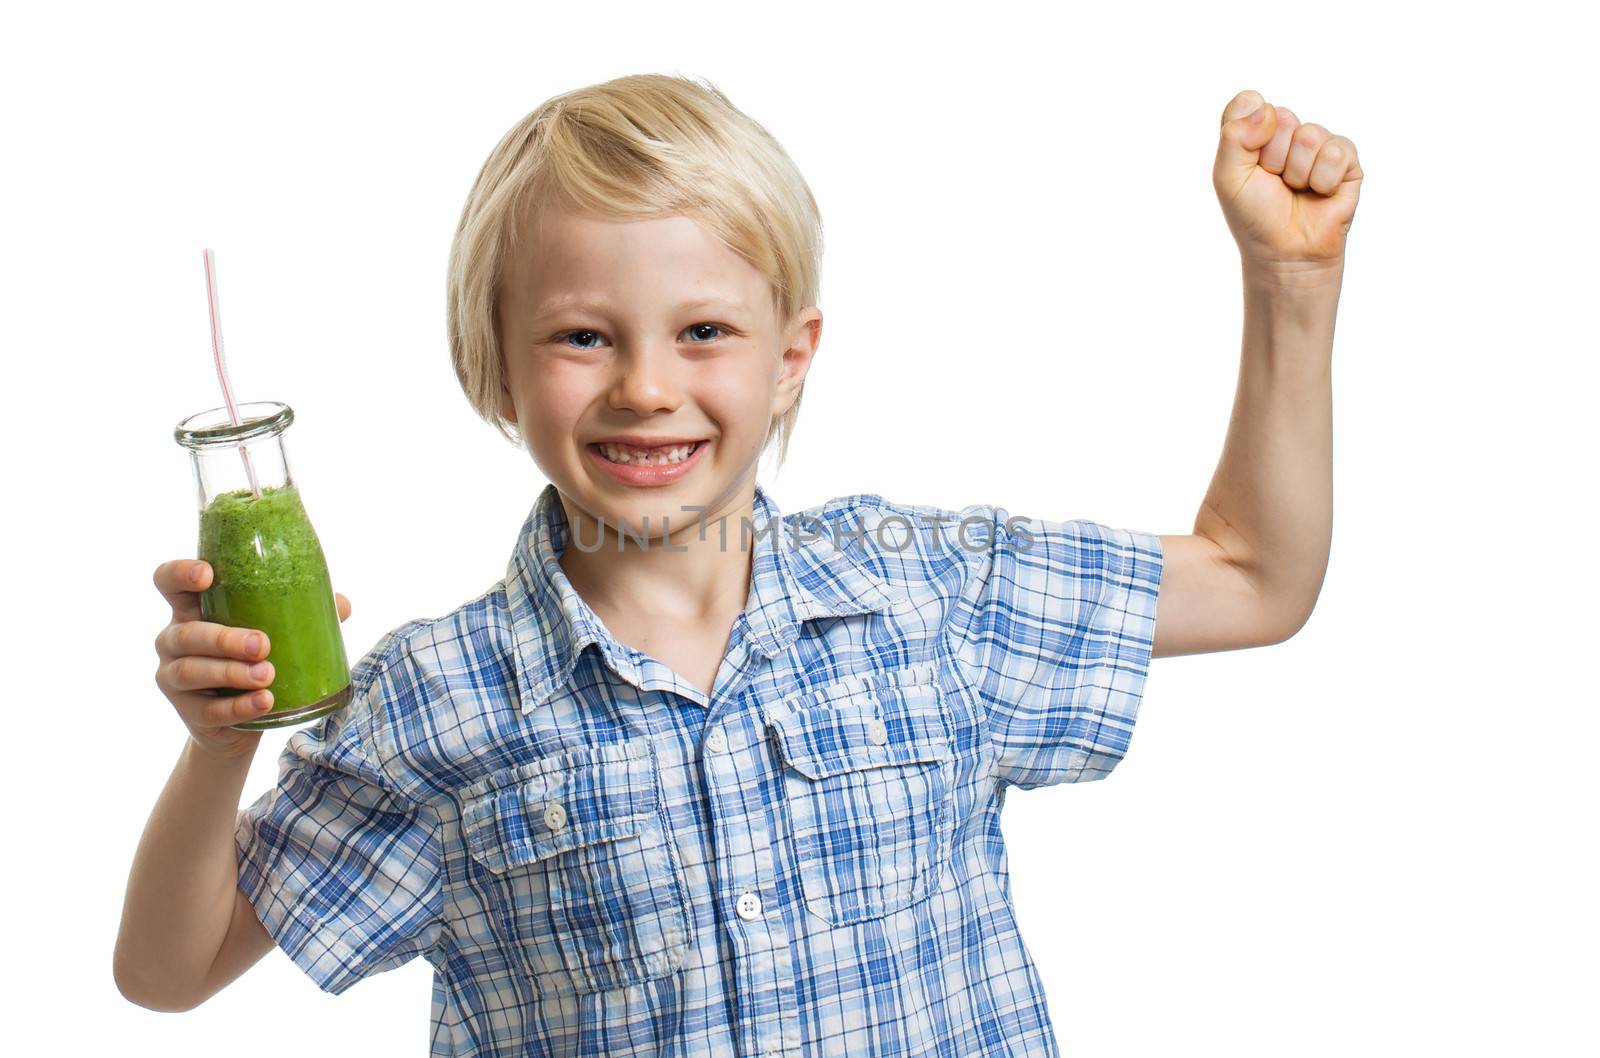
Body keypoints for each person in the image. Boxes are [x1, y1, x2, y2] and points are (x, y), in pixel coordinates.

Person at [115, 73, 1361, 1055]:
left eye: (703, 330)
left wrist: (1291, 280)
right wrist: (221, 742)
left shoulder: (926, 597)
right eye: (582, 335)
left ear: (790, 355)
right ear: (490, 362)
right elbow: (170, 970)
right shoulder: (437, 700)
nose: (646, 385)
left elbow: (1255, 578)